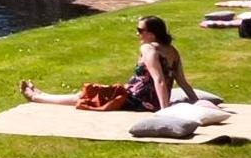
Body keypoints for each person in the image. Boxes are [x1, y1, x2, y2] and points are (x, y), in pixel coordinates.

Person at [18, 15, 199, 112]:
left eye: (140, 30)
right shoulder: (172, 51)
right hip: (146, 99)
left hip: (139, 99)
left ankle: (37, 97)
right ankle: (42, 94)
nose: (137, 34)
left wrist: (164, 111)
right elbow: (181, 81)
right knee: (92, 93)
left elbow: (159, 80)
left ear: (151, 34)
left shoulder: (148, 49)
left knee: (89, 94)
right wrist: (196, 101)